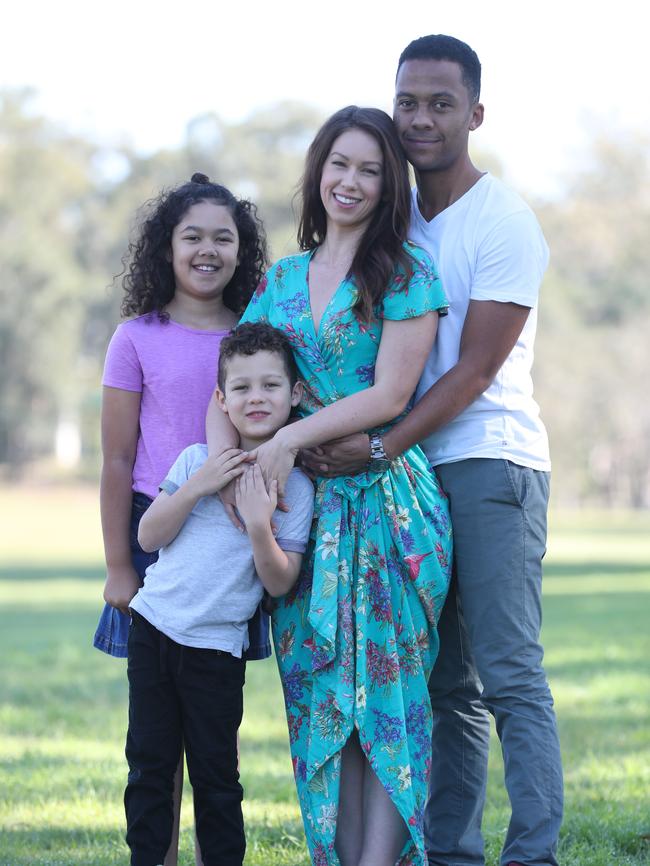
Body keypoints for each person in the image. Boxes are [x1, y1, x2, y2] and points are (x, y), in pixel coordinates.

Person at [302, 35, 563, 866]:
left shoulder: (505, 221)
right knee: (444, 685)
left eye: (440, 104)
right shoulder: (393, 213)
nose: (420, 118)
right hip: (410, 481)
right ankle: (452, 854)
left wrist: (376, 446)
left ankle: (534, 853)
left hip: (488, 462)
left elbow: (475, 372)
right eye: (407, 101)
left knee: (508, 676)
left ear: (474, 115)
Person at [210, 106, 453, 865]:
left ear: (389, 187)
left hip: (386, 507)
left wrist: (283, 437)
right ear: (318, 172)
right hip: (304, 516)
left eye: (370, 170)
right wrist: (230, 474)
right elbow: (228, 384)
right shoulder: (279, 280)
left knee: (385, 699)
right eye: (339, 164)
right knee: (322, 704)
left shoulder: (408, 274)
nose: (350, 181)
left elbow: (389, 396)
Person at [92, 173, 269, 866]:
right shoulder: (136, 337)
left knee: (212, 728)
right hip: (153, 528)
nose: (207, 250)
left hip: (231, 534)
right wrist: (115, 566)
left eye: (223, 237)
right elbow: (114, 460)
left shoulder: (258, 335)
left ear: (241, 249)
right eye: (191, 236)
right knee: (156, 737)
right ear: (165, 248)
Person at [125, 322, 315, 866]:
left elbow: (280, 582)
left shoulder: (297, 489)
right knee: (149, 766)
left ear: (295, 394)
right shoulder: (193, 461)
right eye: (242, 387)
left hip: (216, 650)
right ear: (222, 400)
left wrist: (260, 527)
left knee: (216, 775)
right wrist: (199, 485)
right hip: (154, 629)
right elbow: (148, 536)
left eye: (271, 386)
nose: (256, 397)